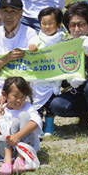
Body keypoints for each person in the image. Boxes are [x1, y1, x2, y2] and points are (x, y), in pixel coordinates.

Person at [48, 2, 88, 142]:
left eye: (81, 24)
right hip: (78, 92)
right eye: (72, 25)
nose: (77, 29)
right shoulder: (68, 44)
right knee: (57, 105)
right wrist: (67, 80)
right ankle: (85, 113)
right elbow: (62, 73)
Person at [0, 0, 40, 139]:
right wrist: (6, 59)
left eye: (13, 11)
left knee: (20, 128)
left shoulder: (30, 33)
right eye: (5, 11)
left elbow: (37, 61)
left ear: (21, 14)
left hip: (20, 94)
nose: (8, 16)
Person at [0, 77, 41, 175]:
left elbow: (35, 122)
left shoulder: (27, 107)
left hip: (24, 148)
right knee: (12, 123)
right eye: (15, 96)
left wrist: (17, 136)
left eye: (23, 97)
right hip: (5, 149)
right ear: (5, 94)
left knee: (24, 116)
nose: (19, 100)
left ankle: (20, 158)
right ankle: (7, 160)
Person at [29, 7, 66, 137]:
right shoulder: (37, 38)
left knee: (51, 104)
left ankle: (50, 126)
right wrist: (33, 48)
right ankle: (38, 126)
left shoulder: (62, 39)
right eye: (44, 23)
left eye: (51, 23)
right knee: (37, 105)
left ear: (58, 24)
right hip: (39, 79)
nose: (47, 27)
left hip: (54, 78)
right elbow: (31, 46)